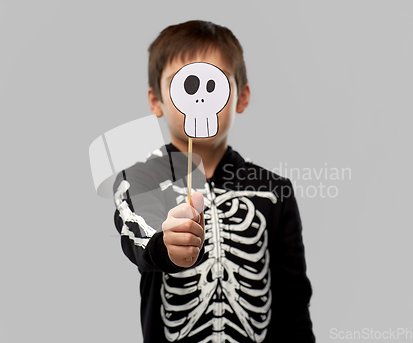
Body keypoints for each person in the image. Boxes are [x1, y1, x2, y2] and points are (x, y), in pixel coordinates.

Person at [113, 20, 315, 343]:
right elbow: (138, 236)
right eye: (186, 86)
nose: (200, 101)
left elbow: (294, 306)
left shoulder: (274, 192)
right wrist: (165, 245)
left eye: (215, 86)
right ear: (156, 101)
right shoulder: (140, 179)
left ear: (241, 98)